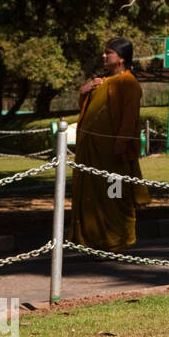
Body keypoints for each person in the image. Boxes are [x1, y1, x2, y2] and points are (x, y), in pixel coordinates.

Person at [69, 37, 149, 251]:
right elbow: (89, 109)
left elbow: (129, 119)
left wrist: (121, 145)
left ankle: (116, 243)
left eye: (109, 53)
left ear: (121, 58)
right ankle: (93, 241)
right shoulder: (103, 82)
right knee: (93, 197)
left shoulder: (128, 83)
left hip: (113, 155)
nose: (104, 56)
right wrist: (84, 90)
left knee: (115, 196)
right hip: (92, 154)